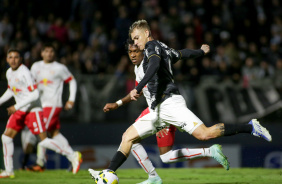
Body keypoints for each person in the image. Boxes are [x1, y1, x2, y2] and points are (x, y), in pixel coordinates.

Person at [89, 20, 271, 181]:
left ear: (146, 33)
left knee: (204, 134)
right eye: (133, 40)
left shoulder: (152, 48)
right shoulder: (164, 48)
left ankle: (251, 127)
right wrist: (200, 51)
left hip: (170, 103)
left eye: (136, 38)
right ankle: (110, 172)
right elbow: (183, 54)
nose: (135, 42)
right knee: (128, 137)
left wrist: (138, 87)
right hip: (157, 110)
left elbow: (153, 66)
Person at [101, 39, 230, 184]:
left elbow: (164, 64)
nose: (132, 55)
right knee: (164, 156)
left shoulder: (150, 64)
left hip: (166, 108)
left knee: (129, 137)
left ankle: (120, 172)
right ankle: (209, 152)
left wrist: (160, 122)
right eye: (130, 52)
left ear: (144, 50)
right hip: (158, 110)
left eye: (135, 51)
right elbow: (136, 93)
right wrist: (118, 104)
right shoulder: (139, 68)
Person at [0, 49, 81, 178]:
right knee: (6, 137)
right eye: (10, 57)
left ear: (20, 59)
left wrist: (16, 106)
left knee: (43, 140)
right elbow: (11, 90)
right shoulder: (10, 72)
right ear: (7, 59)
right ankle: (9, 170)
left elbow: (35, 94)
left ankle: (71, 155)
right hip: (22, 109)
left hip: (33, 109)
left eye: (16, 57)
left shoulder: (25, 72)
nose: (13, 60)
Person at [27, 43, 82, 174]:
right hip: (40, 105)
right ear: (42, 53)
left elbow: (72, 81)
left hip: (52, 104)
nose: (49, 53)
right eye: (46, 51)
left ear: (54, 54)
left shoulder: (60, 68)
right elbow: (29, 83)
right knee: (54, 134)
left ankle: (41, 162)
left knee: (42, 133)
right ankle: (72, 158)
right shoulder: (36, 67)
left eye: (51, 51)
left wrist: (71, 99)